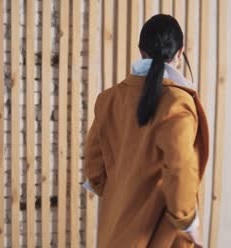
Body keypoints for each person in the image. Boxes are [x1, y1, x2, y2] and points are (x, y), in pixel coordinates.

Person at [83, 14, 209, 248]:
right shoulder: (178, 103)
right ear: (180, 54)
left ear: (141, 50)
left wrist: (122, 193)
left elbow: (94, 169)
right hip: (159, 237)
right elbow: (180, 168)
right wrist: (190, 227)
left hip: (114, 233)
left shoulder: (108, 100)